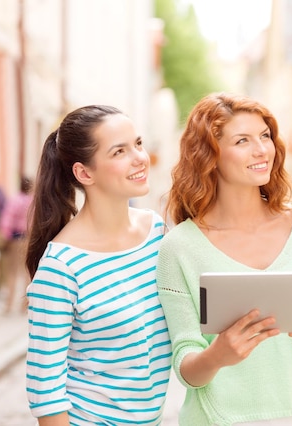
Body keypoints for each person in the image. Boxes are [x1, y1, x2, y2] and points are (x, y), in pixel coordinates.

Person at [156, 92, 292, 425]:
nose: (261, 150)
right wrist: (217, 356)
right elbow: (186, 367)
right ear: (209, 156)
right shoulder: (180, 247)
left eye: (265, 136)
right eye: (242, 140)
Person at [25, 105, 172, 425]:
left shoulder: (156, 233)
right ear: (84, 173)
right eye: (120, 151)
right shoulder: (61, 267)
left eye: (138, 143)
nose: (139, 158)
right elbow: (45, 391)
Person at [0, 176, 33, 314]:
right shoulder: (33, 201)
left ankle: (9, 305)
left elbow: (7, 220)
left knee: (11, 273)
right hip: (28, 239)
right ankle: (24, 306)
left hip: (15, 238)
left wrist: (5, 237)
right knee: (26, 273)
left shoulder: (15, 200)